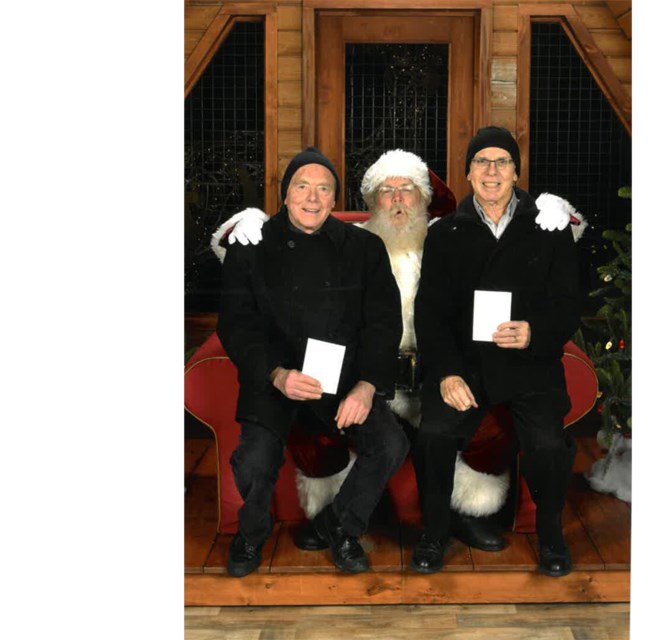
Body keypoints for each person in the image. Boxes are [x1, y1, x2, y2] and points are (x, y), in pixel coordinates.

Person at [215, 149, 586, 556]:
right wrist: (249, 219)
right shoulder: (358, 243)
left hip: (427, 373)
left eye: (406, 190)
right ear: (370, 202)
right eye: (386, 191)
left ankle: (458, 515)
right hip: (360, 377)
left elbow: (522, 253)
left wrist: (551, 207)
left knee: (459, 427)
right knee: (341, 440)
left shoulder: (451, 235)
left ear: (424, 199)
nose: (396, 200)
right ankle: (331, 520)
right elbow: (244, 302)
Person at [216, 147, 409, 577]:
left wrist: (366, 386)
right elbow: (237, 325)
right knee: (253, 461)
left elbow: (383, 323)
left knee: (391, 443)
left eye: (324, 189)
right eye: (302, 186)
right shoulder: (251, 246)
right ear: (285, 195)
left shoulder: (364, 247)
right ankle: (250, 536)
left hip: (340, 381)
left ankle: (341, 527)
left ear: (334, 198)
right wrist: (277, 374)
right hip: (275, 378)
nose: (313, 197)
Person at [409, 126, 582, 578]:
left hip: (529, 365)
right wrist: (445, 373)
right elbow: (430, 312)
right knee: (434, 435)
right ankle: (435, 532)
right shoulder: (445, 232)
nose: (491, 170)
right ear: (467, 174)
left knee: (547, 443)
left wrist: (534, 333)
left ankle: (550, 535)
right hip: (463, 366)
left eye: (501, 161)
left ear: (516, 172)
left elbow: (568, 304)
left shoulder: (548, 227)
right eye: (482, 161)